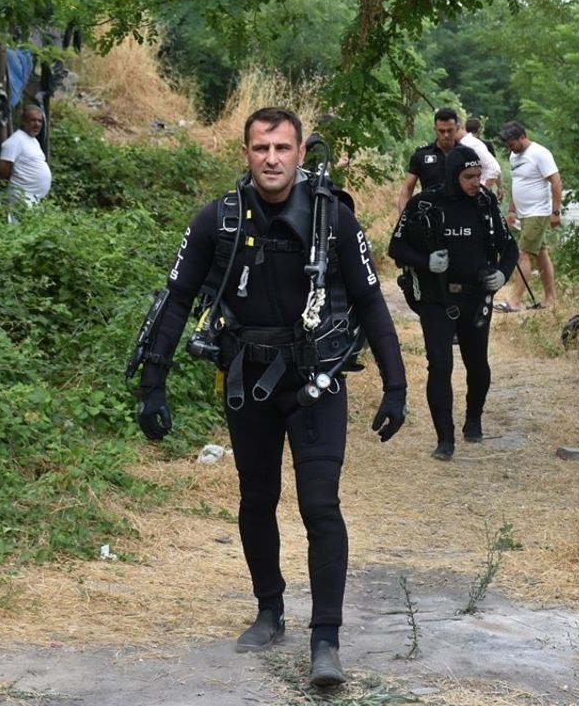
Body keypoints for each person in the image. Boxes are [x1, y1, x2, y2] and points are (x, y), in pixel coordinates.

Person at [131, 107, 408, 687]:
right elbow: (177, 298)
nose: (273, 159)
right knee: (257, 499)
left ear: (301, 154)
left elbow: (370, 301)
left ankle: (326, 641)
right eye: (262, 148)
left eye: (283, 148)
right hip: (247, 378)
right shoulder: (219, 220)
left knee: (319, 505)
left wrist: (395, 384)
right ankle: (269, 610)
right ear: (247, 153)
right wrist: (152, 382)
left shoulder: (336, 221)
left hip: (315, 383)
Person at [389, 145, 518, 461]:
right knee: (440, 364)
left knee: (477, 363)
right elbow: (396, 247)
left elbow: (510, 247)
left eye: (479, 176)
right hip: (436, 297)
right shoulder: (425, 204)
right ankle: (444, 439)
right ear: (452, 176)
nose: (476, 183)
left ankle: (473, 420)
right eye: (469, 177)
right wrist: (425, 260)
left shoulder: (485, 203)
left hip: (476, 295)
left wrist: (502, 274)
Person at [497, 121, 562, 311]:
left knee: (523, 254)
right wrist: (511, 210)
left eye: (512, 144)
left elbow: (556, 182)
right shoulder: (514, 156)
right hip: (523, 214)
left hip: (538, 212)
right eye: (508, 145)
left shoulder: (540, 154)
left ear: (522, 137)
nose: (511, 148)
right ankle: (551, 299)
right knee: (541, 254)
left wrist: (555, 212)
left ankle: (515, 301)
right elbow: (516, 184)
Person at [395, 107, 461, 218]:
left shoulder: (466, 155)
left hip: (458, 215)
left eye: (450, 130)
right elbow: (407, 189)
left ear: (457, 128)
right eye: (441, 131)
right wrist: (404, 219)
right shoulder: (422, 155)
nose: (446, 135)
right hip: (429, 216)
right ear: (435, 129)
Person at [0, 105, 52, 206]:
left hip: (32, 200)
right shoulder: (15, 141)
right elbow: (2, 171)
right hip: (20, 199)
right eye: (33, 120)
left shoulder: (33, 140)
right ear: (23, 121)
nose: (37, 124)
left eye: (40, 121)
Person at [458, 118, 502, 199]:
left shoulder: (475, 144)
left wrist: (482, 193)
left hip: (480, 189)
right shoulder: (484, 144)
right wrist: (500, 187)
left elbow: (494, 167)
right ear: (479, 130)